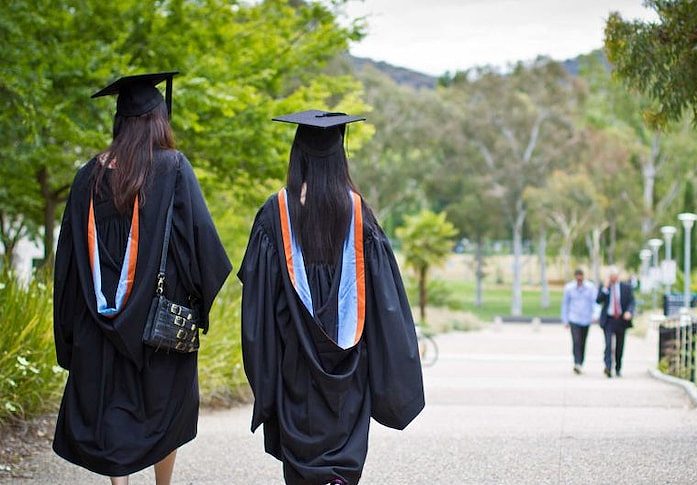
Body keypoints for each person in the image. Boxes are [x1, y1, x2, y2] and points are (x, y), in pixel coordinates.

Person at [53, 72, 232, 484]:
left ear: (120, 121)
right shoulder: (172, 168)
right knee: (163, 409)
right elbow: (202, 246)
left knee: (111, 406)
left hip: (96, 324)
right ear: (158, 121)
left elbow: (66, 262)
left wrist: (68, 332)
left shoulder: (87, 177)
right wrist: (196, 305)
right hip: (158, 327)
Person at [239, 110, 425, 485]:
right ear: (340, 157)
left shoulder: (274, 213)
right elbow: (386, 300)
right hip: (350, 365)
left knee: (301, 460)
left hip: (294, 363)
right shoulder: (359, 213)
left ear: (298, 155)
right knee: (342, 460)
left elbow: (257, 300)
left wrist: (265, 370)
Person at [596, 267, 635, 378]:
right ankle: (608, 367)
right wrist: (605, 287)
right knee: (608, 344)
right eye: (611, 276)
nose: (613, 278)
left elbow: (632, 302)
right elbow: (598, 300)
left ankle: (618, 368)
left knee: (619, 346)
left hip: (621, 320)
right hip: (608, 320)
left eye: (615, 275)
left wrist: (629, 312)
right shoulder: (605, 287)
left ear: (618, 276)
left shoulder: (626, 287)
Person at [560, 268, 598, 374]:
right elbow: (565, 304)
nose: (579, 279)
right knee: (576, 341)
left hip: (586, 318)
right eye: (577, 277)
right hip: (574, 318)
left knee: (583, 342)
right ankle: (576, 362)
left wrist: (595, 314)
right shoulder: (569, 288)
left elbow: (595, 302)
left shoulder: (590, 287)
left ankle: (581, 362)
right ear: (575, 277)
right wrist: (565, 320)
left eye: (581, 277)